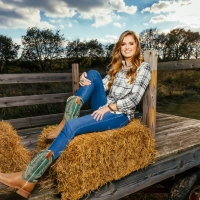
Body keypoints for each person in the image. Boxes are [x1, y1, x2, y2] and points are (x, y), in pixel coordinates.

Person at [0, 30, 151, 199]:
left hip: (120, 114)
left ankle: (28, 177)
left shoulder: (143, 68)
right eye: (123, 43)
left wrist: (108, 108)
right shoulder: (117, 68)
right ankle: (67, 118)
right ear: (119, 47)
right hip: (105, 107)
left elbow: (133, 99)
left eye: (131, 43)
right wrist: (84, 80)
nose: (127, 47)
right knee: (92, 74)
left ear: (137, 46)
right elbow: (99, 85)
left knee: (73, 126)